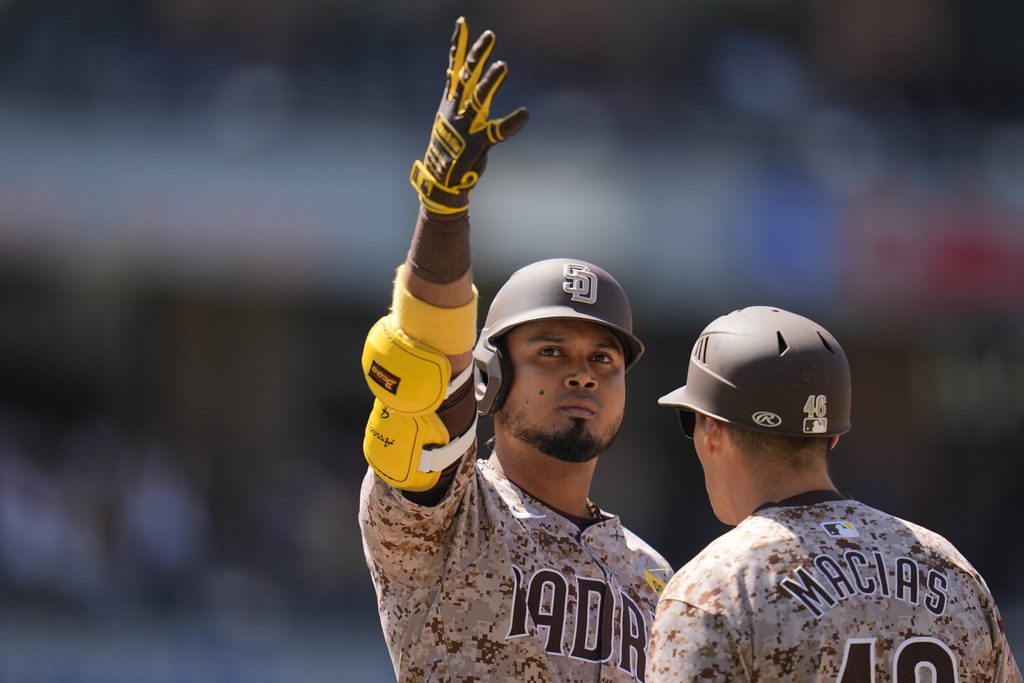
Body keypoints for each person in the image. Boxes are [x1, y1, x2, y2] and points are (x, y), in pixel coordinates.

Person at [358, 17, 673, 683]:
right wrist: (443, 212)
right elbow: (424, 374)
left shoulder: (655, 577)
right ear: (491, 378)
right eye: (552, 352)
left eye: (604, 359)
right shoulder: (453, 516)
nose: (583, 374)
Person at [647, 306, 1022, 682]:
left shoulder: (715, 587)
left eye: (690, 420)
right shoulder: (952, 570)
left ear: (711, 431)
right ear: (834, 436)